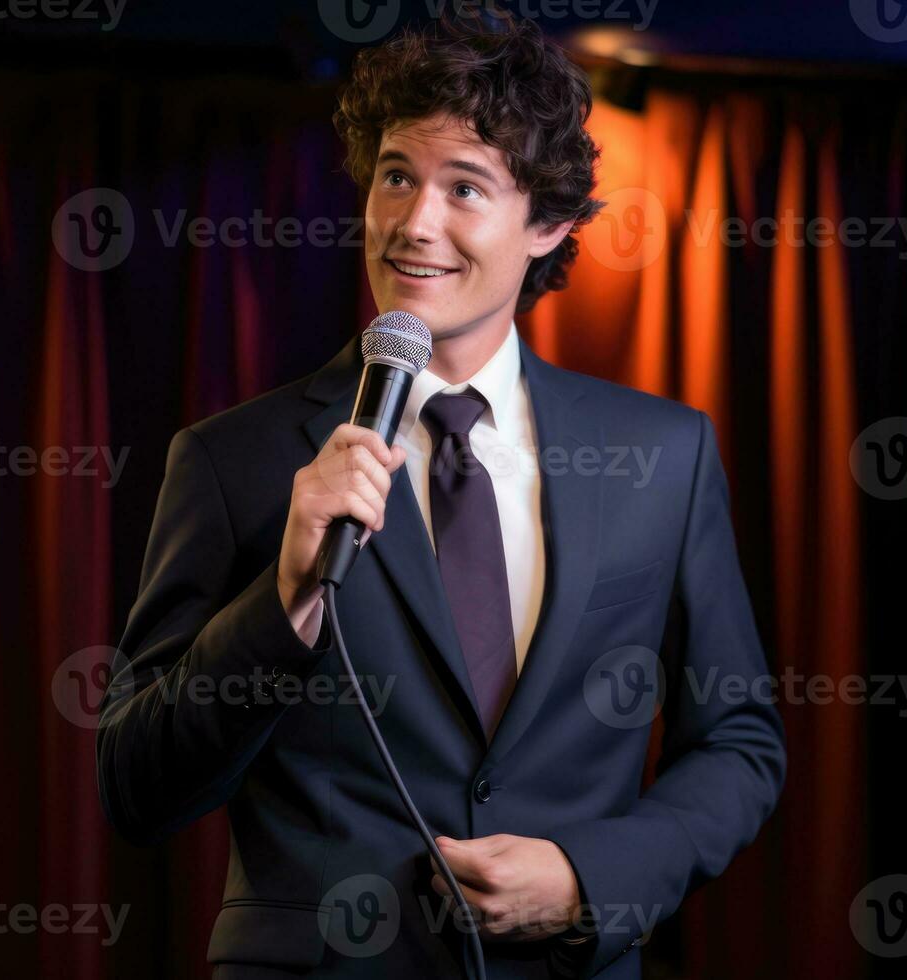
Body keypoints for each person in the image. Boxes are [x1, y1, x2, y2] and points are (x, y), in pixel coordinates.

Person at [97, 15, 785, 979]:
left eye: (463, 187)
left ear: (545, 222)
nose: (413, 222)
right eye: (393, 176)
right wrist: (285, 598)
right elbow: (137, 787)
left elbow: (739, 744)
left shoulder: (660, 452)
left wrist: (589, 875)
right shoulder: (233, 459)